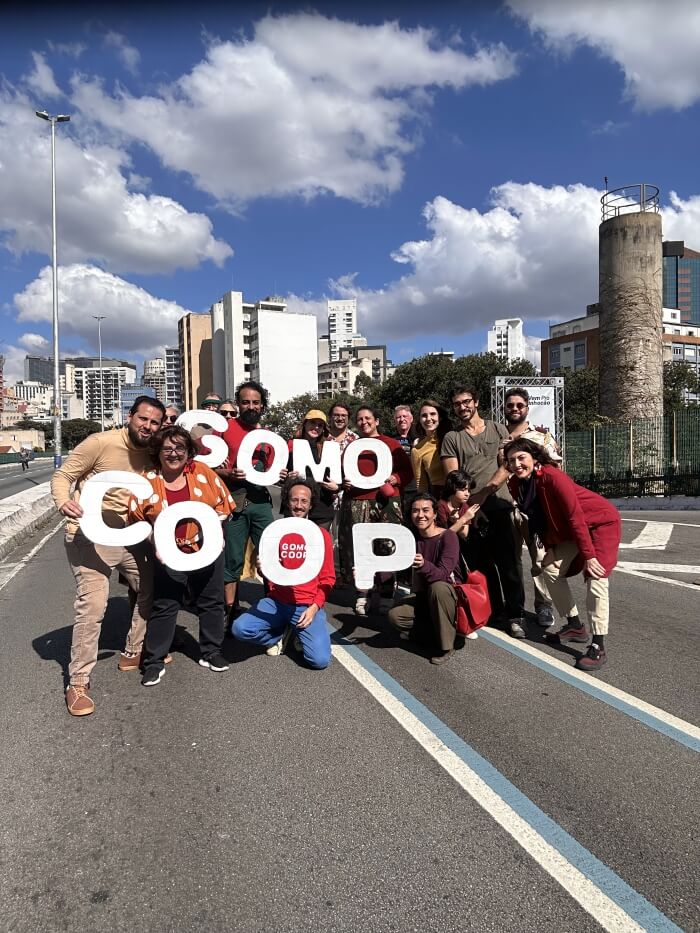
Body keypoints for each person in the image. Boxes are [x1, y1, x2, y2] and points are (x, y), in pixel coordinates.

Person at [50, 395, 165, 716]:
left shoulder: (152, 450)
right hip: (89, 534)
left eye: (154, 422)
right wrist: (63, 502)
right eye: (143, 419)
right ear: (130, 416)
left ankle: (134, 650)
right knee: (94, 604)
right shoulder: (100, 443)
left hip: (129, 535)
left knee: (149, 589)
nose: (148, 426)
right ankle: (78, 682)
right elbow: (63, 476)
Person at [128, 425, 235, 686]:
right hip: (167, 554)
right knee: (165, 605)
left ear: (189, 451)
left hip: (205, 549)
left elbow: (224, 507)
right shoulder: (147, 480)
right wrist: (154, 541)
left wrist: (213, 533)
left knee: (211, 601)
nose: (173, 453)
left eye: (179, 448)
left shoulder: (204, 473)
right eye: (167, 448)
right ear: (158, 452)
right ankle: (154, 660)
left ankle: (211, 652)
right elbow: (136, 518)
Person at [504, 437, 622, 671]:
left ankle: (598, 645)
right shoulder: (518, 485)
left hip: (599, 523)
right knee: (548, 569)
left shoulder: (552, 477)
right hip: (571, 533)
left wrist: (589, 556)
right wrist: (550, 549)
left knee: (596, 578)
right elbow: (541, 521)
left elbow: (575, 517)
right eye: (511, 461)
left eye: (521, 458)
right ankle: (575, 626)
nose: (517, 464)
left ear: (534, 458)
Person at [441, 385, 526, 638]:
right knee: (482, 566)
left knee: (509, 564)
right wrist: (470, 508)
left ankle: (516, 614)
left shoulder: (498, 429)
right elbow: (454, 478)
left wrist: (482, 495)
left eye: (466, 401)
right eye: (457, 404)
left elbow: (507, 467)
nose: (462, 407)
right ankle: (495, 610)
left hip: (499, 505)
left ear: (476, 402)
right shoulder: (452, 438)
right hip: (470, 512)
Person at [232, 478, 333, 670]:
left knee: (319, 661)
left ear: (311, 505)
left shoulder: (321, 535)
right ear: (287, 502)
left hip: (307, 605)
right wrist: (263, 569)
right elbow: (269, 572)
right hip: (277, 602)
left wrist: (314, 608)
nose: (299, 506)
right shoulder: (275, 533)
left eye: (304, 501)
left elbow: (328, 578)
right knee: (240, 629)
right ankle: (279, 634)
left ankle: (300, 631)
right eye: (294, 500)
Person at [338, 405, 413, 616]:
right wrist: (345, 483)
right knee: (362, 550)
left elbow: (407, 472)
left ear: (377, 420)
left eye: (368, 418)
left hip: (386, 502)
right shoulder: (352, 447)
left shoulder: (391, 444)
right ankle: (363, 593)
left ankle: (388, 592)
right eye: (360, 419)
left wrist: (395, 478)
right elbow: (342, 473)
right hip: (357, 501)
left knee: (386, 548)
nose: (364, 422)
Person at [217, 380, 275, 622]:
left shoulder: (270, 437)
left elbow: (274, 471)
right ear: (238, 404)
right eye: (245, 402)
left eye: (255, 402)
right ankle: (228, 615)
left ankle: (274, 613)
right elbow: (205, 468)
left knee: (271, 558)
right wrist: (227, 473)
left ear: (262, 406)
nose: (251, 406)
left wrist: (281, 475)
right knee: (232, 561)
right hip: (234, 502)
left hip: (261, 503)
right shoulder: (223, 429)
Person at [388, 493, 462, 665]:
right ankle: (438, 632)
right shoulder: (411, 538)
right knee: (395, 616)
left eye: (426, 510)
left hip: (447, 596)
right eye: (415, 511)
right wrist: (366, 570)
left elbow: (443, 574)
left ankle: (446, 646)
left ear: (435, 513)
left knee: (438, 587)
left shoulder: (448, 536)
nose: (420, 515)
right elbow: (394, 565)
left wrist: (423, 565)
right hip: (422, 596)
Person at [285, 409, 339, 530]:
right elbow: (281, 477)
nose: (316, 427)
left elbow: (337, 478)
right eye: (313, 423)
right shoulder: (290, 447)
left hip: (322, 508)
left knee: (318, 546)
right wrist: (288, 478)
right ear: (305, 424)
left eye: (320, 425)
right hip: (296, 508)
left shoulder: (328, 450)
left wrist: (336, 487)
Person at [326, 400, 358, 585]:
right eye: (336, 415)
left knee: (345, 537)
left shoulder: (355, 440)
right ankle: (328, 573)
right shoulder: (322, 438)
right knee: (326, 537)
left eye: (343, 416)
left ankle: (345, 574)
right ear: (330, 417)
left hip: (346, 495)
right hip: (325, 496)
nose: (339, 418)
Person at [411, 399, 451, 498]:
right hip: (439, 497)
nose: (428, 419)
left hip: (464, 493)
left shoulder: (453, 438)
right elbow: (421, 484)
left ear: (440, 417)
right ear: (419, 420)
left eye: (433, 414)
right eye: (424, 416)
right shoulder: (417, 450)